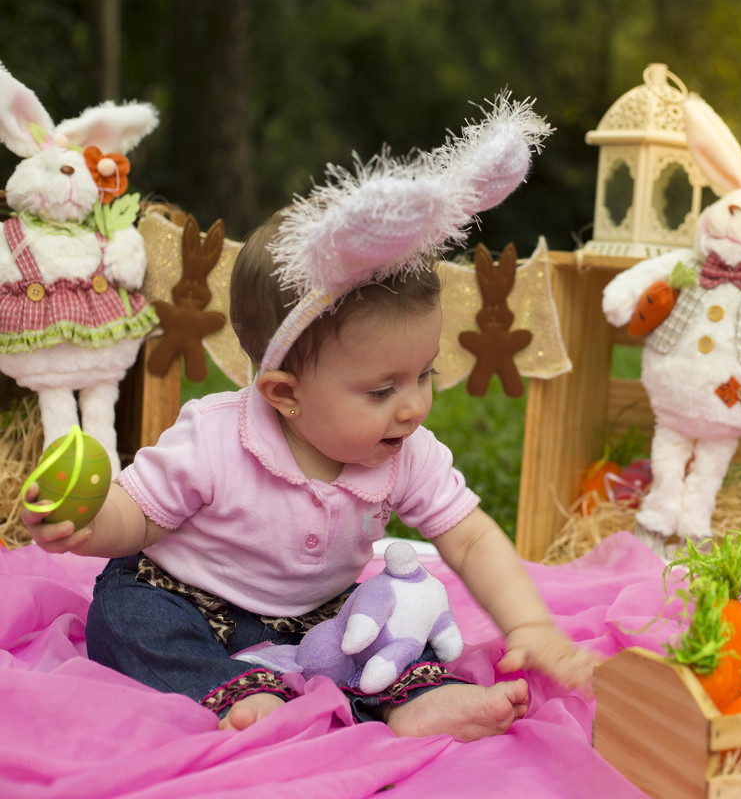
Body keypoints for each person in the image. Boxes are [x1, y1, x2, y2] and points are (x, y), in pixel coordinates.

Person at [21, 97, 596, 740]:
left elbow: (471, 539)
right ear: (283, 393)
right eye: (382, 390)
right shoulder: (216, 436)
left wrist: (530, 624)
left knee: (388, 624)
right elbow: (139, 516)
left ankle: (416, 699)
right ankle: (235, 690)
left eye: (424, 374)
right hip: (185, 597)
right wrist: (89, 526)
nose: (413, 406)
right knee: (125, 619)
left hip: (318, 618)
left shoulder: (408, 452)